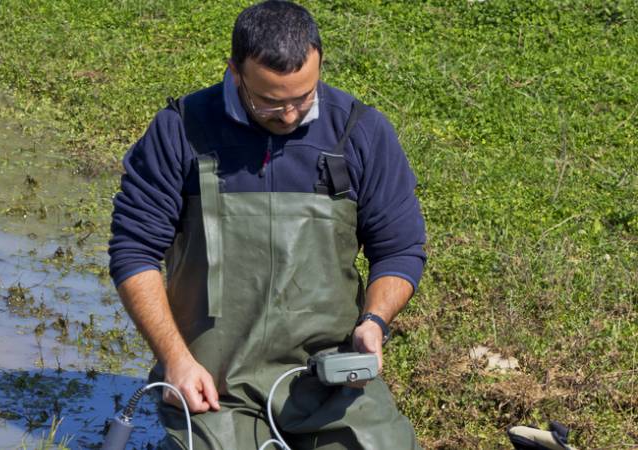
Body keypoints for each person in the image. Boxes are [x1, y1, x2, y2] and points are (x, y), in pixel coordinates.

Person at [108, 1, 426, 448]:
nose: (291, 115)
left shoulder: (361, 131)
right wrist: (176, 361)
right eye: (271, 101)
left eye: (304, 96)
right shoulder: (179, 130)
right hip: (215, 389)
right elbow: (133, 253)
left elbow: (400, 250)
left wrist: (374, 321)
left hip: (328, 383)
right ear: (235, 73)